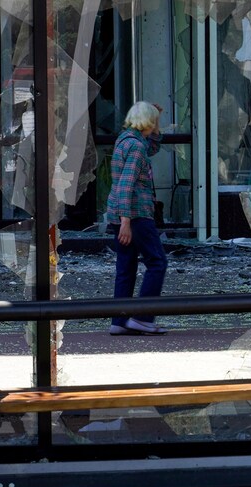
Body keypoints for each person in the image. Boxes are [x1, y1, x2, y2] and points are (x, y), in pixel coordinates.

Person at [105, 101, 168, 336]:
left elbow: (152, 148)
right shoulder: (136, 147)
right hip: (136, 213)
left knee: (126, 266)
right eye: (155, 122)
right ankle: (142, 317)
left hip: (121, 213)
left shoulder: (126, 140)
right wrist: (126, 222)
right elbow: (126, 184)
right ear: (149, 122)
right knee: (157, 262)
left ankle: (119, 321)